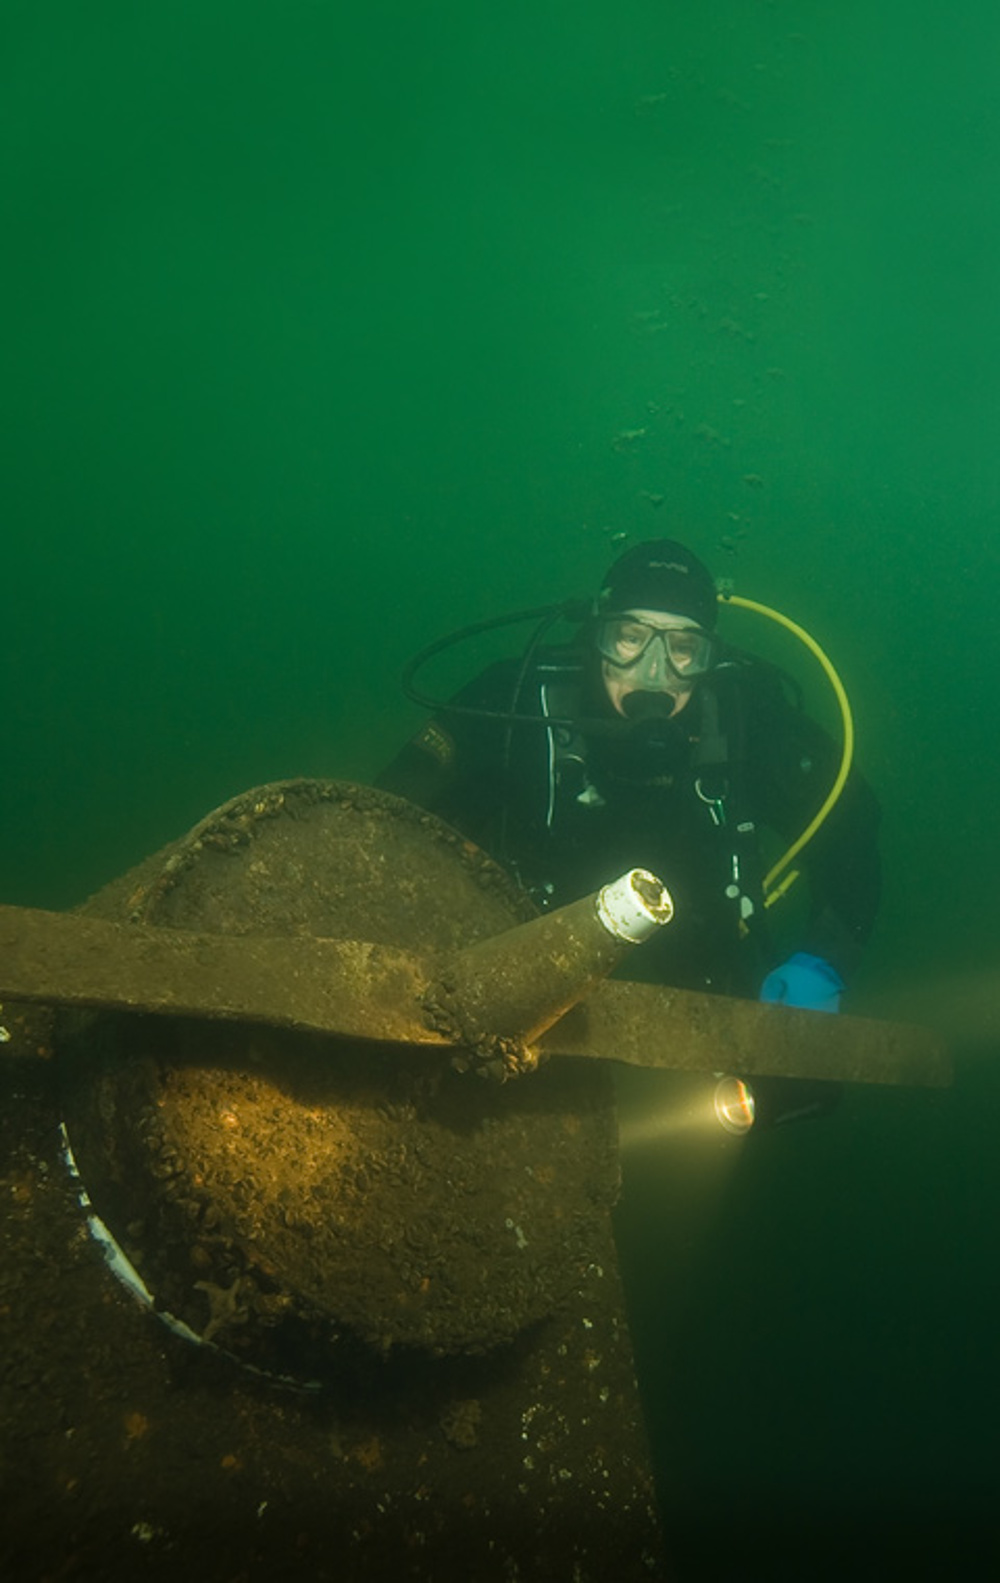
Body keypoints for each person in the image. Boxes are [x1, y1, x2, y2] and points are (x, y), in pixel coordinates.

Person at [378, 539, 881, 1126]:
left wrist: (824, 960)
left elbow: (852, 825)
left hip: (700, 934)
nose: (654, 672)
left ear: (710, 658)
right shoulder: (516, 700)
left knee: (795, 1086)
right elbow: (393, 817)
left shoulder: (748, 718)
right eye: (630, 638)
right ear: (597, 634)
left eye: (684, 648)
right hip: (517, 928)